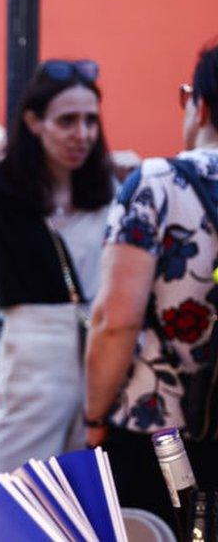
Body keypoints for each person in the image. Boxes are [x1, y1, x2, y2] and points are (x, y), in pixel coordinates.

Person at [0, 59, 116, 480]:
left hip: (102, 360)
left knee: (87, 493)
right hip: (32, 354)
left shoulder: (108, 192)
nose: (82, 134)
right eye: (67, 121)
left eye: (90, 121)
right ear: (34, 121)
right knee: (21, 490)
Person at [85, 42, 218, 531]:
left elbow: (114, 321)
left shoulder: (157, 183)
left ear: (200, 105)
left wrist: (94, 416)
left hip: (158, 428)